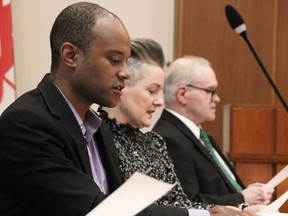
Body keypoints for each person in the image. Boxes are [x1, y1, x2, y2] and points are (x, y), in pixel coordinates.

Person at [0, 2, 256, 216]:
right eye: (114, 60)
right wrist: (203, 214)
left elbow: (126, 206)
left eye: (125, 61)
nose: (125, 72)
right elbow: (101, 211)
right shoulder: (27, 123)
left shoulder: (98, 129)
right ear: (70, 55)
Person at [99, 39, 260, 215]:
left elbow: (179, 203)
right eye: (152, 91)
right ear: (121, 86)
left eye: (160, 91)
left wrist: (234, 210)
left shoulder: (153, 143)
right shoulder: (94, 137)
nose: (160, 101)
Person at [153, 55, 274, 207]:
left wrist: (249, 194)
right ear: (182, 94)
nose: (216, 99)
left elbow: (219, 190)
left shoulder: (200, 136)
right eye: (210, 91)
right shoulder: (168, 139)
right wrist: (242, 199)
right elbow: (187, 205)